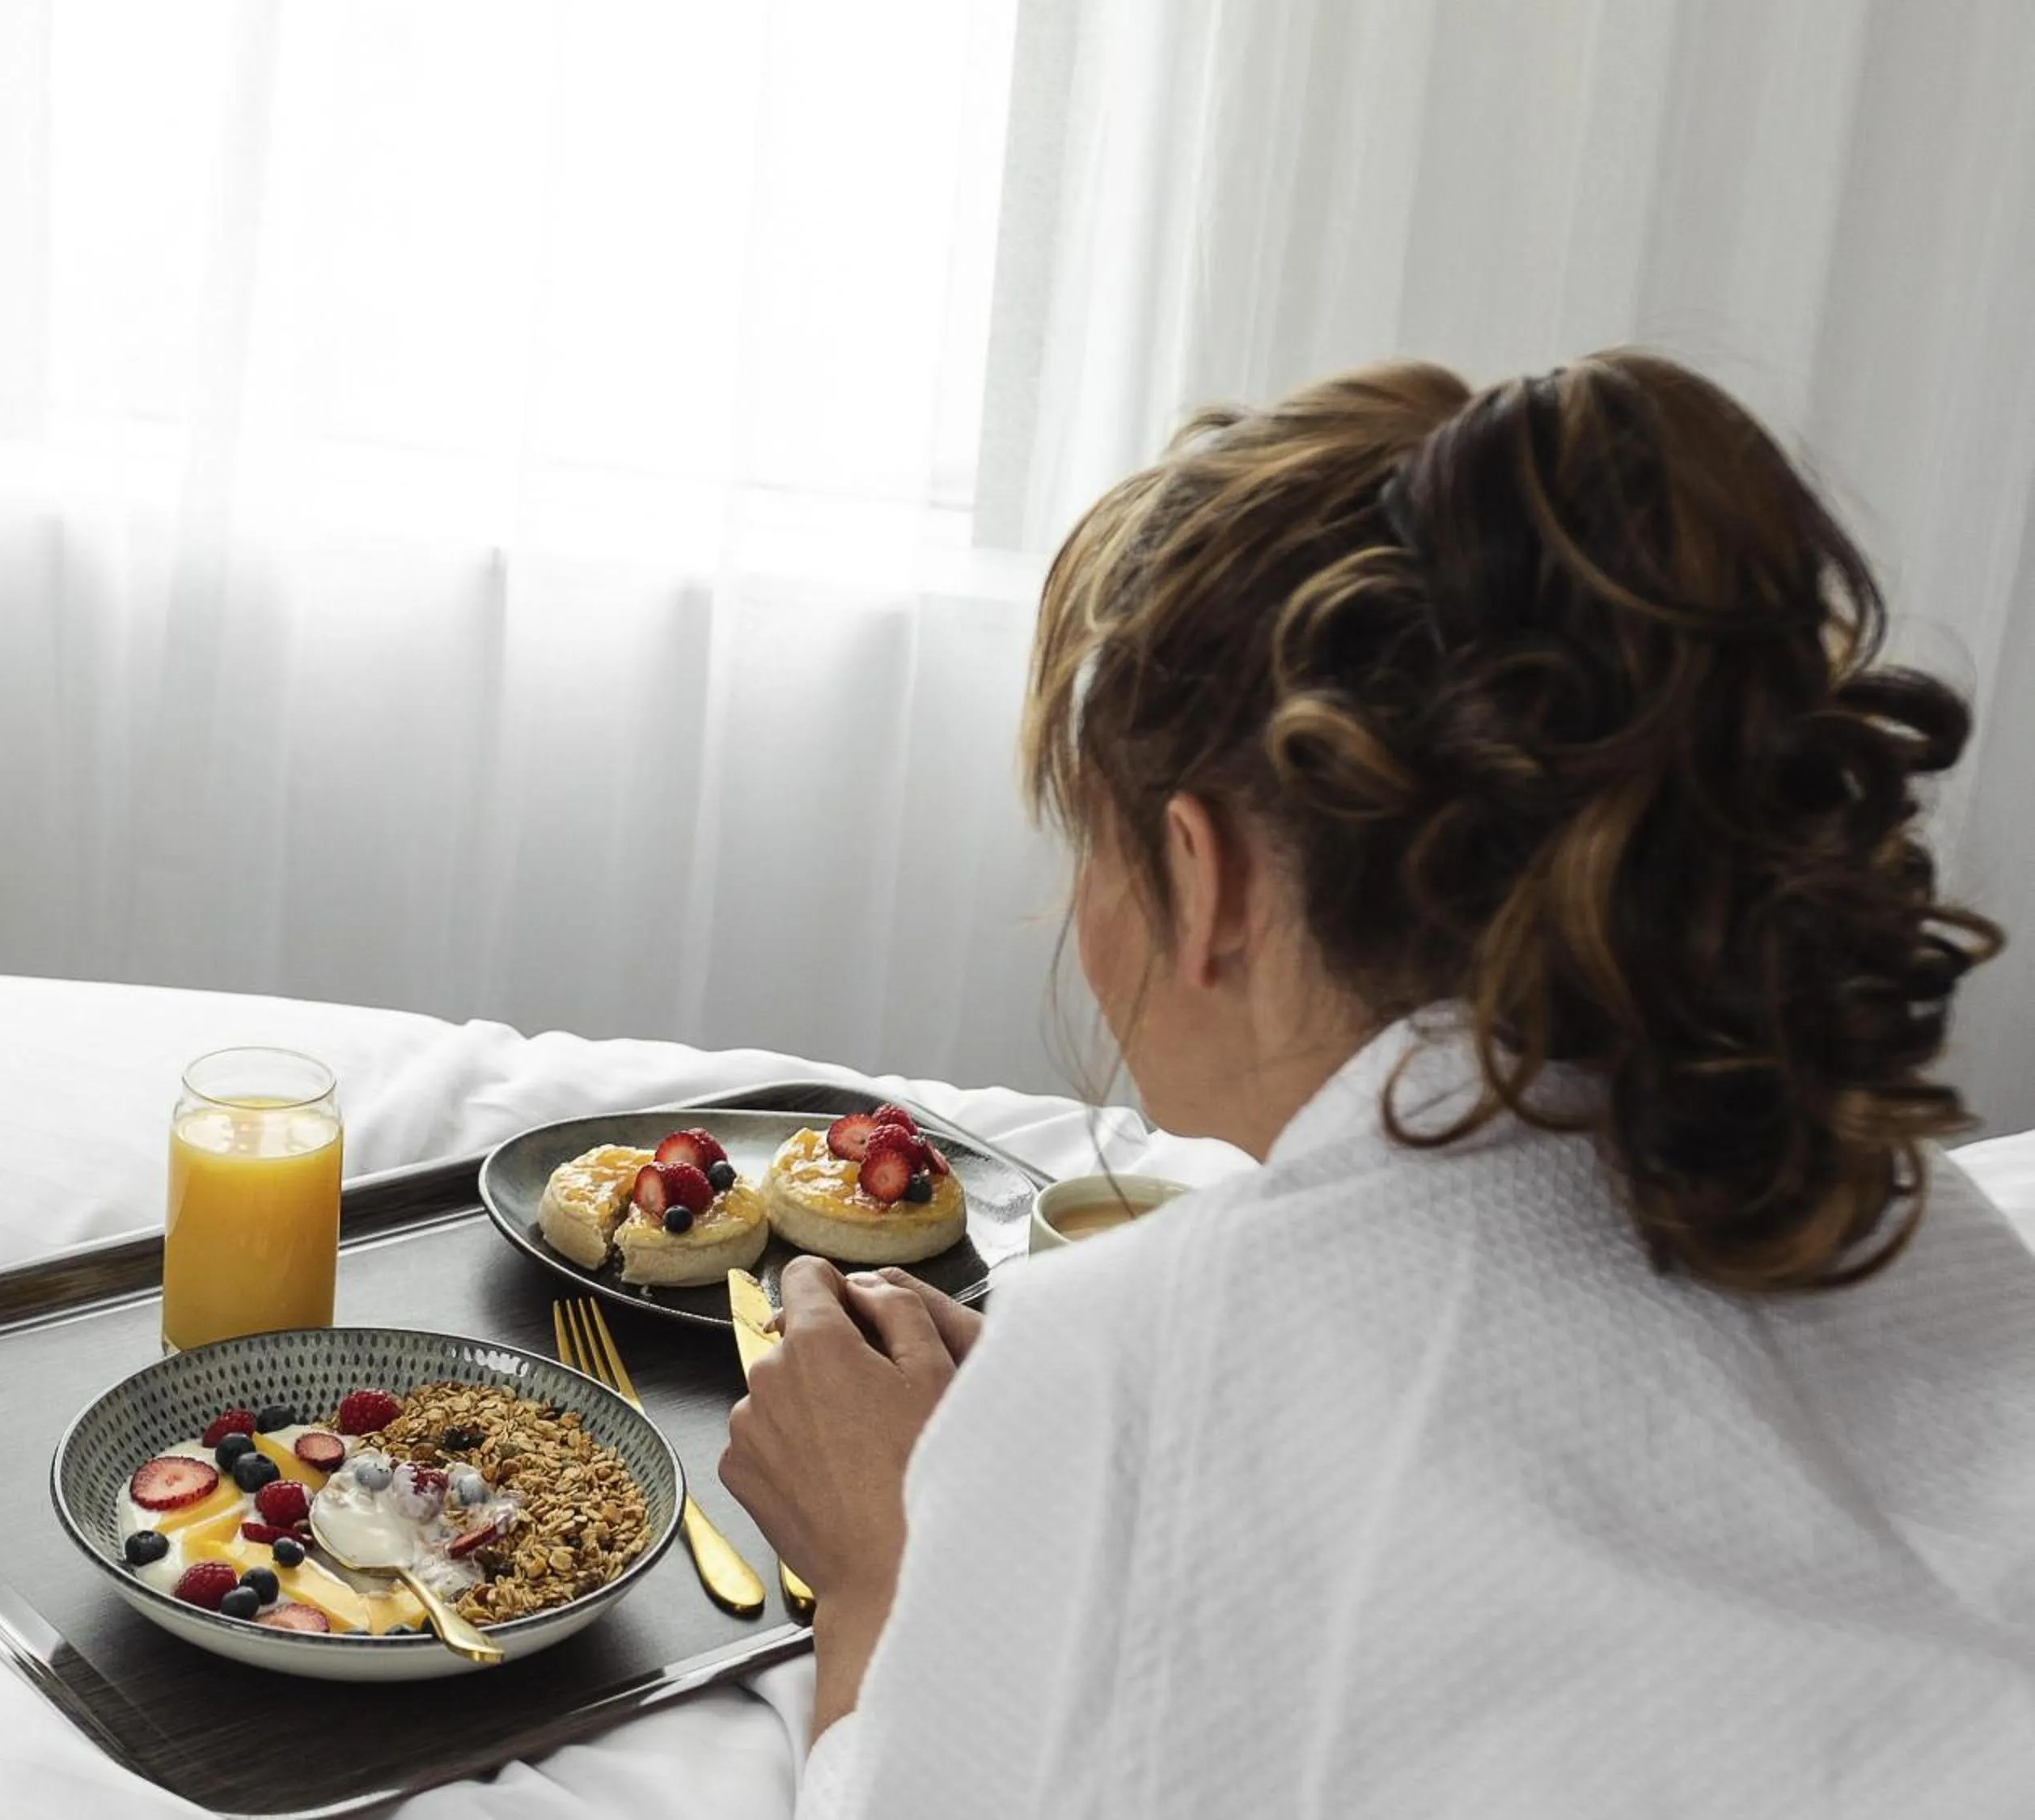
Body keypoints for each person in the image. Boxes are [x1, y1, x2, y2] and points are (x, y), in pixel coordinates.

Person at [718, 352, 2035, 1817]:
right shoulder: (1907, 1219)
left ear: (1203, 879)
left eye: (1087, 839)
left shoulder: (1126, 1368)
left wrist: (882, 1563)